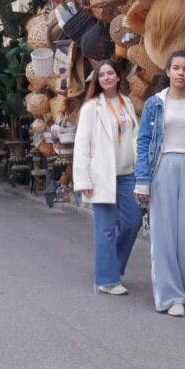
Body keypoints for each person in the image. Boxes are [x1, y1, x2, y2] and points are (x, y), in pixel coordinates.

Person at [134, 50, 185, 317]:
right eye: (176, 68)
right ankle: (171, 297)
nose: (181, 73)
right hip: (162, 169)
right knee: (164, 236)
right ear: (168, 71)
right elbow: (144, 141)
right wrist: (142, 181)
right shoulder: (154, 103)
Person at [73, 60, 142, 295]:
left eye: (110, 73)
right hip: (102, 175)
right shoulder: (91, 108)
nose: (106, 77)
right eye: (101, 75)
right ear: (97, 80)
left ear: (118, 77)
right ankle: (107, 280)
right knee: (106, 229)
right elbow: (82, 146)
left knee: (133, 222)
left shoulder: (127, 103)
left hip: (127, 174)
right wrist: (83, 180)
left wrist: (141, 169)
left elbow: (135, 137)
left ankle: (112, 267)